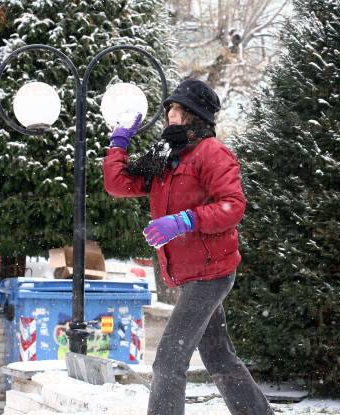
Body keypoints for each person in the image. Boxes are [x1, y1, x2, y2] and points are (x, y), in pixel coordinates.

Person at [103, 79, 275, 415]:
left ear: (195, 116)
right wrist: (119, 141)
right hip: (195, 273)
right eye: (169, 110)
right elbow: (119, 184)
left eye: (178, 111)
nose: (170, 117)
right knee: (220, 358)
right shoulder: (167, 156)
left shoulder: (213, 153)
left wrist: (184, 221)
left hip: (211, 273)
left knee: (168, 360)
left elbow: (233, 205)